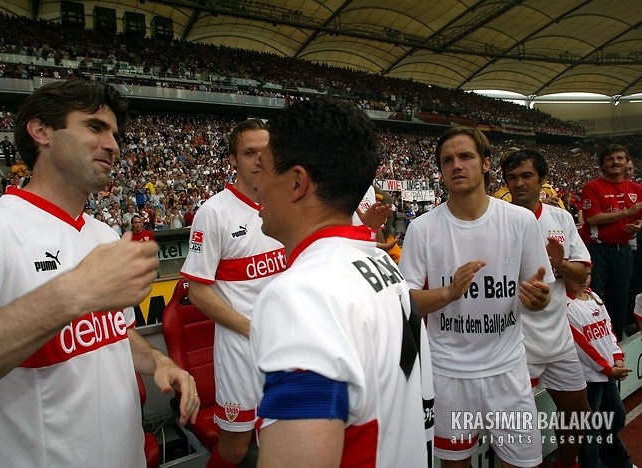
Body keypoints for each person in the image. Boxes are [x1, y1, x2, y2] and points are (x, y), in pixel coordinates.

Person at [0, 80, 199, 467]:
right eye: (95, 127)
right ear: (41, 131)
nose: (113, 145)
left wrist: (158, 361)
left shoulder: (103, 234)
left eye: (115, 134)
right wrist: (74, 292)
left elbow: (114, 332)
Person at [250, 96, 433, 468]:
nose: (257, 185)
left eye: (263, 168)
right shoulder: (380, 262)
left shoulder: (303, 294)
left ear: (297, 182)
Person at [399, 127, 552, 468]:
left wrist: (538, 299)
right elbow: (404, 302)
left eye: (466, 156)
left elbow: (539, 295)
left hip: (508, 369)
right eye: (447, 160)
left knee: (524, 463)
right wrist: (449, 292)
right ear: (441, 170)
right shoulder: (422, 228)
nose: (456, 165)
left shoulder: (521, 221)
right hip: (448, 372)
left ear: (485, 164)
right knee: (455, 464)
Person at [179, 118, 286, 467]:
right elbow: (197, 291)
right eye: (249, 152)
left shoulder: (285, 204)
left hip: (286, 344)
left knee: (281, 439)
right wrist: (251, 328)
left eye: (265, 152)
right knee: (236, 447)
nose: (259, 160)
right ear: (233, 160)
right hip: (242, 350)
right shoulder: (214, 212)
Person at [501, 148, 591, 468]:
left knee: (578, 412)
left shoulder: (561, 218)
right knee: (517, 426)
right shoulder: (497, 220)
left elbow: (582, 275)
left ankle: (566, 463)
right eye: (512, 177)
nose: (519, 183)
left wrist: (560, 263)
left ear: (542, 179)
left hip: (558, 338)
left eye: (527, 176)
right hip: (518, 342)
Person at [565, 268, 633, 468]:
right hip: (588, 379)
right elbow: (581, 345)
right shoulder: (567, 306)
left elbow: (608, 330)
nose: (584, 279)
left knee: (616, 417)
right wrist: (607, 369)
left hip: (606, 373)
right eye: (578, 275)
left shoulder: (594, 297)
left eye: (587, 274)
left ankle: (612, 459)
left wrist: (617, 357)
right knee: (590, 430)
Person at [579, 144, 642, 340]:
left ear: (627, 162)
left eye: (620, 158)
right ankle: (595, 340)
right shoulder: (593, 187)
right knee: (593, 296)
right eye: (610, 159)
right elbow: (592, 219)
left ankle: (617, 341)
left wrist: (638, 225)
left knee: (620, 299)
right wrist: (628, 212)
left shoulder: (636, 189)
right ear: (602, 165)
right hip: (597, 250)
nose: (615, 162)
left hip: (623, 251)